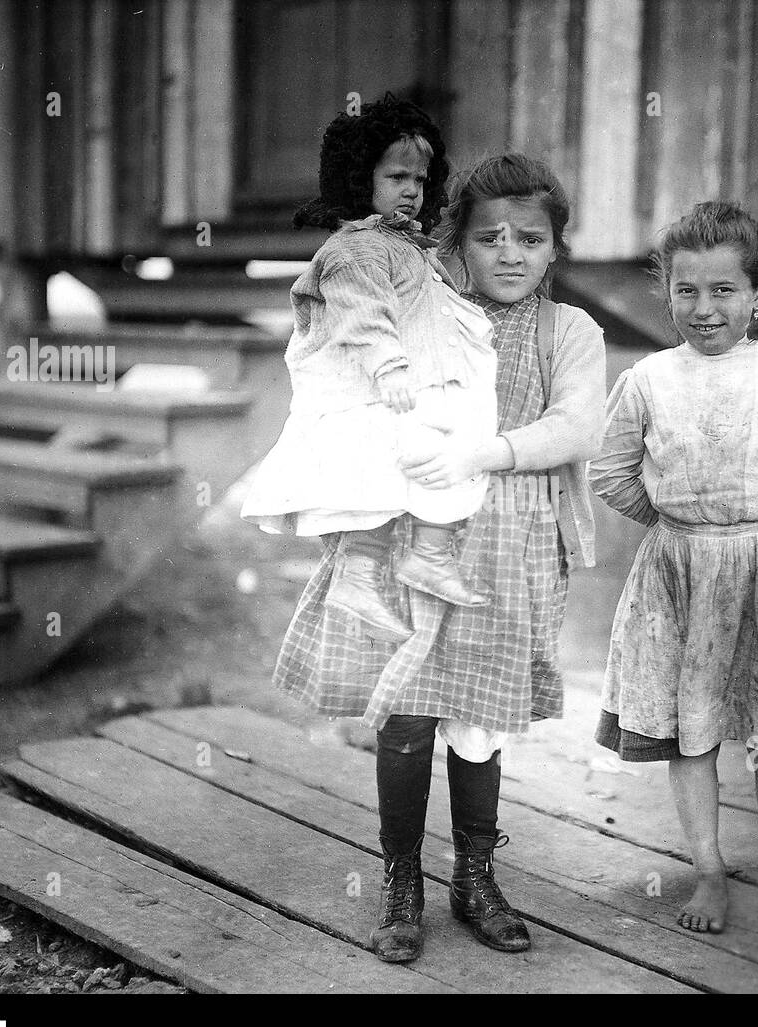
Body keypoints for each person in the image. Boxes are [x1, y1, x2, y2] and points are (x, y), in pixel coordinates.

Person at [273, 152, 606, 963]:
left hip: (514, 542)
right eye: (488, 236)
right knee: (410, 708)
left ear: (555, 248)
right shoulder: (428, 309)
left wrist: (483, 455)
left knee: (481, 719)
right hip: (417, 533)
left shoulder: (572, 330)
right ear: (456, 241)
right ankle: (400, 878)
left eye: (530, 238)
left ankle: (476, 874)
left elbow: (575, 428)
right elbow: (346, 367)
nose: (509, 253)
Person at [589, 201, 758, 942]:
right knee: (693, 729)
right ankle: (708, 870)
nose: (703, 308)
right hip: (680, 573)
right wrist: (683, 527)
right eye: (687, 290)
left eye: (723, 291)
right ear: (668, 292)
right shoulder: (648, 378)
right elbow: (611, 472)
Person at [241, 94, 497, 642]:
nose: (412, 190)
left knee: (441, 463)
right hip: (370, 390)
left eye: (421, 181)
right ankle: (357, 580)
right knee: (374, 487)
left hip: (415, 385)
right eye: (398, 176)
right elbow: (364, 315)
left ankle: (429, 554)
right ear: (361, 181)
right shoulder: (355, 250)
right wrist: (389, 367)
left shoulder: (406, 245)